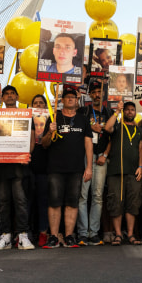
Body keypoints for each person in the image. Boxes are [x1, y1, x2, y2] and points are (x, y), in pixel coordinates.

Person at [41, 86, 93, 249]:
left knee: (73, 202)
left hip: (76, 168)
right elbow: (44, 144)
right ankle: (54, 237)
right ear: (61, 100)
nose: (71, 99)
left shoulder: (83, 119)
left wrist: (89, 167)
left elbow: (88, 143)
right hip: (55, 168)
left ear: (77, 101)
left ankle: (69, 236)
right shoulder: (53, 117)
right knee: (54, 202)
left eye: (73, 97)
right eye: (67, 97)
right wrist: (50, 132)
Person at [0, 88, 36, 251]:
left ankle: (23, 234)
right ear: (2, 98)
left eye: (12, 93)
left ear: (17, 96)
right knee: (3, 201)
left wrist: (27, 154)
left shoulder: (25, 115)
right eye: (6, 94)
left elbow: (32, 138)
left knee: (20, 200)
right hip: (1, 163)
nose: (9, 96)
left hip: (19, 164)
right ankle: (6, 235)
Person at [77, 80, 112, 246]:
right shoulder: (83, 111)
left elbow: (113, 136)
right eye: (94, 92)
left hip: (101, 157)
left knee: (97, 196)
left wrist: (105, 154)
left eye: (100, 92)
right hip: (86, 156)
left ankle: (94, 233)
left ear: (103, 94)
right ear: (90, 95)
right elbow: (80, 132)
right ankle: (83, 233)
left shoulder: (108, 111)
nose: (97, 95)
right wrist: (92, 128)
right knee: (83, 195)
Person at [103, 101, 142, 245]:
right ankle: (118, 234)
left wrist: (141, 166)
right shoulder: (118, 126)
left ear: (135, 113)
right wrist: (116, 112)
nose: (130, 112)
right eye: (127, 110)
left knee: (133, 203)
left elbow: (141, 149)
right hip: (116, 171)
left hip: (134, 172)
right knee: (116, 203)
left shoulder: (139, 130)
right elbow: (107, 128)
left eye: (132, 110)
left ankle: (131, 234)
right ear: (124, 111)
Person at [28, 94, 50, 248]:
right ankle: (26, 233)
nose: (38, 105)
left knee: (43, 202)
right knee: (27, 202)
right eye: (35, 103)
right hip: (27, 166)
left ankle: (43, 232)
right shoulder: (25, 120)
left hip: (45, 167)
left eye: (41, 103)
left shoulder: (51, 120)